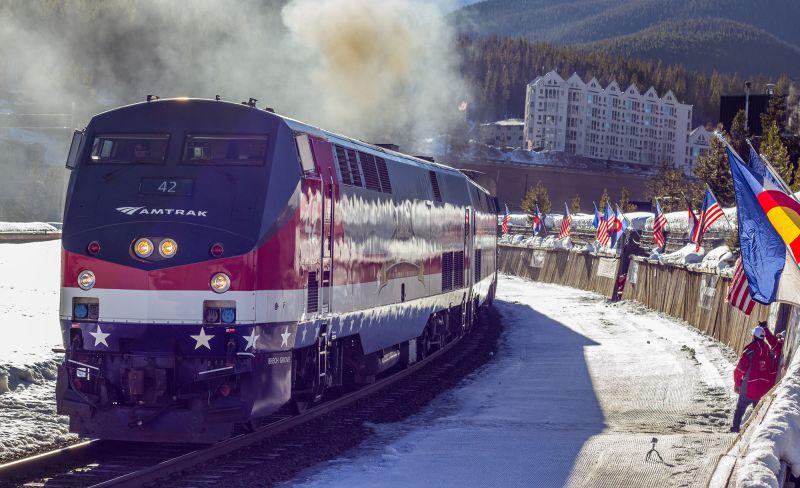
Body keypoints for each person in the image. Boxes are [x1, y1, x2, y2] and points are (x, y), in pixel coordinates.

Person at [730, 324, 780, 432]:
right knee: (757, 412)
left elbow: (739, 370)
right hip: (763, 389)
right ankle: (755, 432)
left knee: (740, 409)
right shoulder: (769, 351)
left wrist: (737, 384)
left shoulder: (750, 351)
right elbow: (772, 368)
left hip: (748, 387)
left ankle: (735, 428)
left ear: (754, 336)